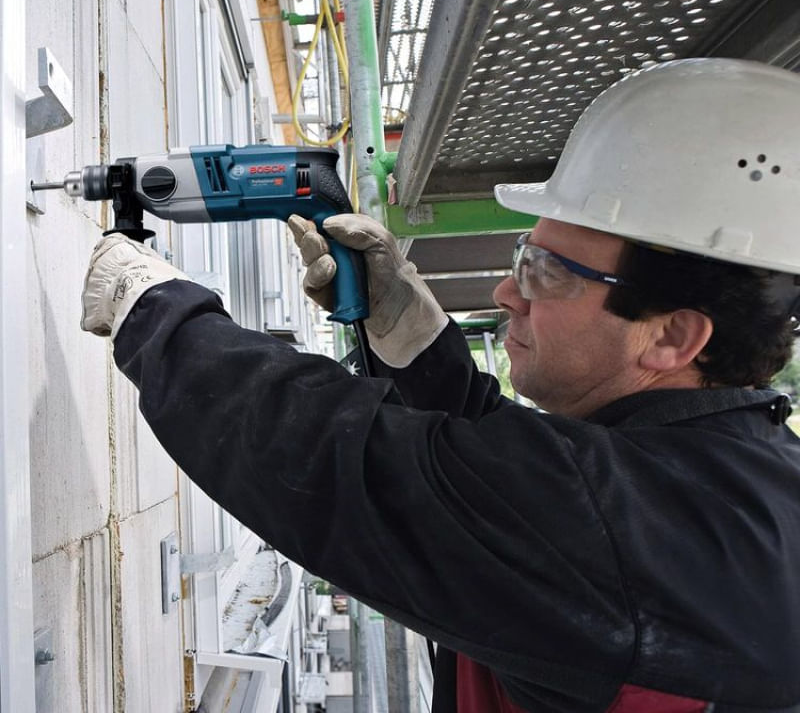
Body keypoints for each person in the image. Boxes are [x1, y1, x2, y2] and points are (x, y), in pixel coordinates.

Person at [81, 58, 800, 712]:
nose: (506, 292)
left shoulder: (642, 532)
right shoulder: (722, 489)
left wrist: (156, 309)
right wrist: (414, 342)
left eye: (547, 273)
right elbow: (504, 470)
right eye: (524, 256)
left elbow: (340, 465)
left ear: (672, 337)